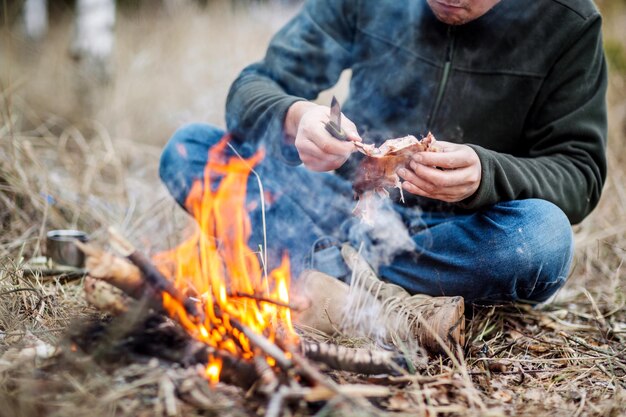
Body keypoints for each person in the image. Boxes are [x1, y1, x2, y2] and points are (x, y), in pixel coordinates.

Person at [159, 0, 607, 341]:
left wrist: (487, 174)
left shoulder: (567, 21)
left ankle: (324, 274)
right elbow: (254, 85)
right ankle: (370, 290)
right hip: (337, 206)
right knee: (191, 149)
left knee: (544, 238)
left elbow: (579, 170)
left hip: (457, 234)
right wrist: (296, 117)